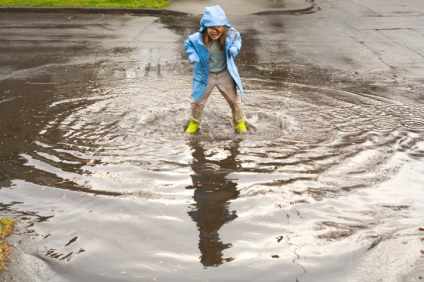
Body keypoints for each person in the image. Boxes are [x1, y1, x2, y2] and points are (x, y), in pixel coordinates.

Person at [184, 5, 247, 133]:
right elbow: (187, 44)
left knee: (235, 101)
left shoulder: (230, 35)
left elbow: (238, 40)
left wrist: (235, 48)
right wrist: (193, 55)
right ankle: (193, 124)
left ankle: (240, 124)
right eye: (211, 27)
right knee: (198, 102)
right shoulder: (197, 38)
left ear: (223, 27)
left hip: (225, 74)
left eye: (218, 27)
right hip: (205, 75)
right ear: (205, 27)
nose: (214, 31)